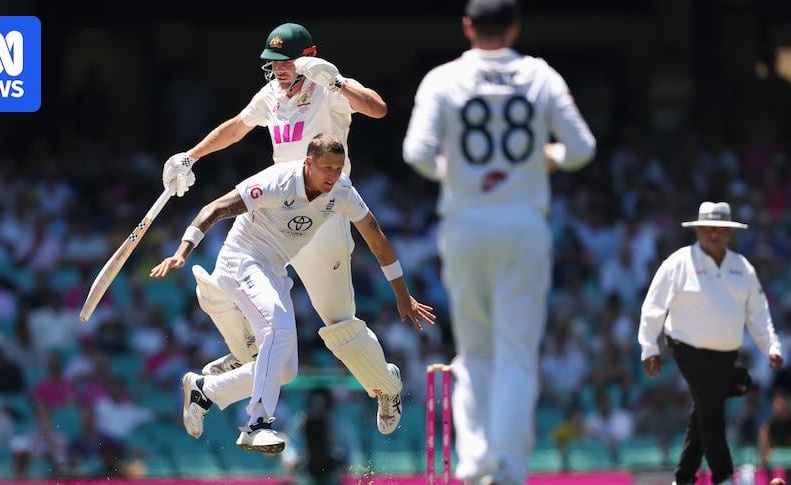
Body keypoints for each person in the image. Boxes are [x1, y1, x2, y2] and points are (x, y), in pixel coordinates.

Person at [158, 22, 403, 435]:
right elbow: (238, 126)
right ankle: (244, 353)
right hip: (275, 213)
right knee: (228, 282)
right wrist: (191, 156)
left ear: (309, 57)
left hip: (323, 218)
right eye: (273, 64)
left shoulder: (328, 87)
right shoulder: (270, 94)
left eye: (286, 62)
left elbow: (378, 109)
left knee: (340, 326)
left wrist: (335, 81)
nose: (279, 71)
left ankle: (386, 386)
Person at [401, 0, 596, 482]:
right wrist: (546, 157)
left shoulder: (443, 79)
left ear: (467, 26)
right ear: (514, 28)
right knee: (516, 352)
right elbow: (581, 149)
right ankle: (507, 465)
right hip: (522, 222)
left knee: (474, 348)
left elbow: (417, 153)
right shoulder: (540, 76)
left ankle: (474, 459)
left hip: (465, 221)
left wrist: (457, 174)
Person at [151, 134, 435, 453]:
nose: (333, 175)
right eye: (326, 168)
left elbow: (377, 239)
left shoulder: (342, 191)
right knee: (279, 331)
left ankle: (206, 390)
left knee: (284, 370)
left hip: (273, 270)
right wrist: (183, 251)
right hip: (241, 260)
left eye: (338, 168)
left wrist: (402, 295)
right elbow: (215, 208)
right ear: (308, 163)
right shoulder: (278, 181)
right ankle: (257, 425)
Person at [638, 201, 783, 485]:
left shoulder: (742, 268)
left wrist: (772, 347)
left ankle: (683, 478)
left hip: (726, 353)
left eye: (720, 229)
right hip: (686, 346)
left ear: (729, 233)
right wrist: (649, 347)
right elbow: (653, 306)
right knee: (711, 408)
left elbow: (758, 312)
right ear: (698, 230)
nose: (713, 234)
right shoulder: (679, 263)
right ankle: (723, 475)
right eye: (708, 228)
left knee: (705, 409)